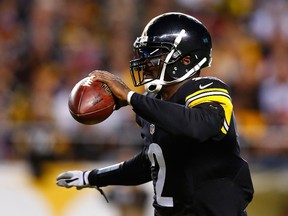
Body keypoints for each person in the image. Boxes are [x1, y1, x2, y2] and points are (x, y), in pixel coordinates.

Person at [56, 12, 254, 216]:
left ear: (185, 59)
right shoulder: (152, 104)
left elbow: (197, 125)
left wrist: (132, 97)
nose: (146, 61)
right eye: (144, 54)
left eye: (155, 54)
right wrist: (92, 177)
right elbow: (151, 163)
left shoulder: (207, 89)